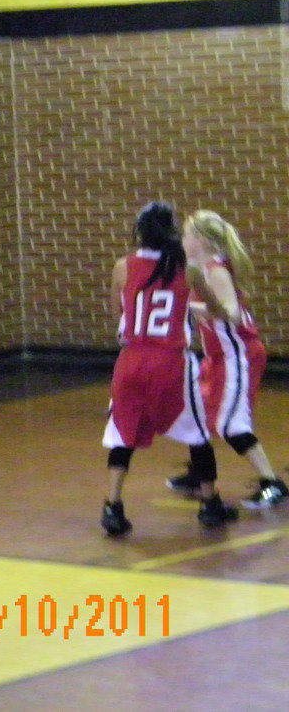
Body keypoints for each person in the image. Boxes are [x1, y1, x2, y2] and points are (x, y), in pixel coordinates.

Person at [101, 202, 238, 537]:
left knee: (123, 434)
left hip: (131, 360)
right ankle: (210, 504)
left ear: (141, 232)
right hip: (170, 362)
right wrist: (209, 310)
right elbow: (216, 307)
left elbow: (116, 310)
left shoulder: (123, 266)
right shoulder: (186, 268)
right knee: (199, 434)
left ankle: (112, 507)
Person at [165, 210, 287, 509]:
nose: (183, 240)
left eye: (187, 235)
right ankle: (199, 474)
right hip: (217, 357)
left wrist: (197, 306)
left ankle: (272, 483)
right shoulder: (199, 267)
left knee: (232, 424)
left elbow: (231, 314)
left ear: (202, 240)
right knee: (196, 416)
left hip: (238, 355)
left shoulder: (215, 271)